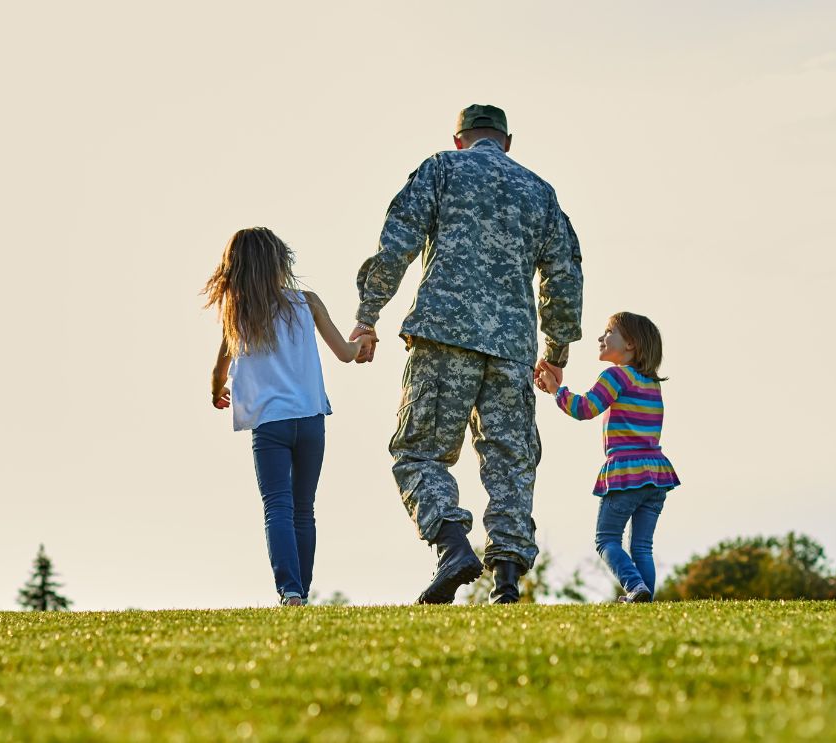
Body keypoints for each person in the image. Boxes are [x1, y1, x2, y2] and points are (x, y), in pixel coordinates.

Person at [350, 104, 584, 604]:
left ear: (459, 139)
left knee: (418, 453)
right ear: (508, 142)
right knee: (511, 463)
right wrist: (556, 351)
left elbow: (397, 243)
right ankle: (505, 579)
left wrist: (368, 315)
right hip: (511, 349)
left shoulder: (441, 168)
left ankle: (453, 547)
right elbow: (564, 275)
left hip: (443, 335)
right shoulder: (539, 193)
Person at [203, 227, 370, 606]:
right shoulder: (307, 302)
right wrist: (362, 342)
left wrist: (217, 393)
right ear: (281, 264)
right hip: (311, 419)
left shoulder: (239, 317)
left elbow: (218, 371)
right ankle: (302, 592)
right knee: (303, 508)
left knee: (277, 505)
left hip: (270, 425)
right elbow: (346, 354)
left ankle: (290, 591)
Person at [536, 312, 681, 603]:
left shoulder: (616, 376)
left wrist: (556, 390)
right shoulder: (651, 384)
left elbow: (585, 408)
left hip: (627, 472)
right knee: (642, 545)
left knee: (606, 540)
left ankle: (634, 587)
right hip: (656, 473)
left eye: (608, 332)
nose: (601, 338)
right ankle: (644, 599)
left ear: (630, 344)